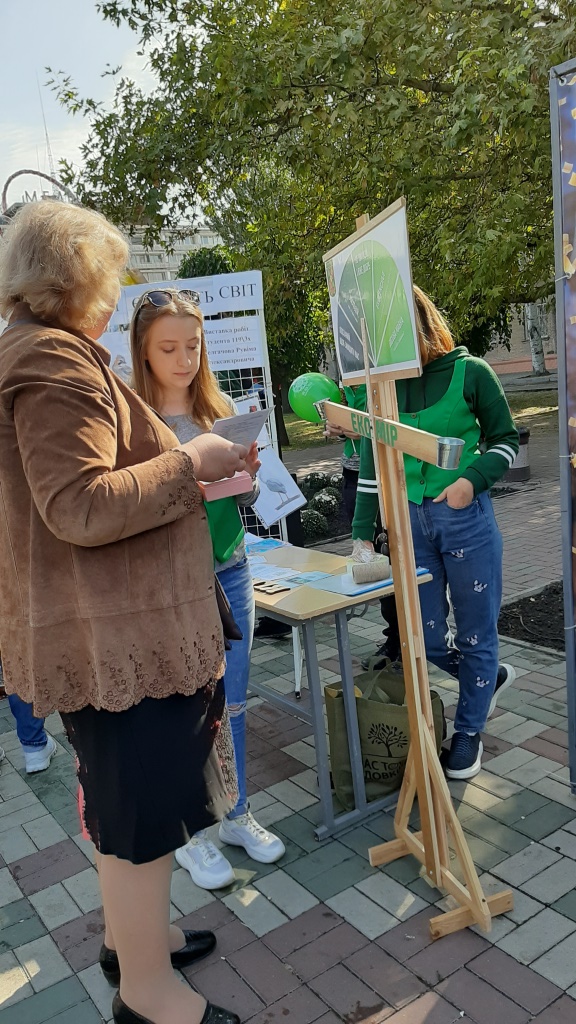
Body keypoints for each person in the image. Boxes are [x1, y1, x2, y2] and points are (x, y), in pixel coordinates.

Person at [0, 201, 245, 1024]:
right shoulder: (51, 360)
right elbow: (79, 505)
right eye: (108, 277)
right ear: (73, 278)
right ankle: (147, 995)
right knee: (142, 816)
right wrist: (191, 461)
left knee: (128, 808)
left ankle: (132, 945)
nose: (114, 295)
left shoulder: (41, 349)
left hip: (111, 632)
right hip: (118, 636)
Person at [130, 289, 285, 889]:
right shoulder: (134, 423)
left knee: (233, 702)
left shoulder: (218, 409)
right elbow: (131, 506)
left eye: (193, 345)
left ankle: (236, 813)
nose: (184, 358)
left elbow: (249, 495)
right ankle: (190, 834)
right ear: (143, 351)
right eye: (169, 347)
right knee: (183, 712)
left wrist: (247, 473)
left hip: (231, 566)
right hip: (173, 582)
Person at [352, 286, 518, 780]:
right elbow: (372, 463)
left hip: (464, 518)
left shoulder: (473, 372)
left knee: (475, 631)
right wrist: (362, 533)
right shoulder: (383, 390)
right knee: (421, 635)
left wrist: (471, 482)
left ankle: (468, 730)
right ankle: (485, 678)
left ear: (417, 324)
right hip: (408, 525)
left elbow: (506, 440)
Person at [324, 384, 401, 664]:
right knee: (374, 559)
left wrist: (357, 428)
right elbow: (349, 422)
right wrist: (336, 428)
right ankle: (394, 638)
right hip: (354, 472)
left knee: (396, 555)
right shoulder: (346, 379)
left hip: (385, 474)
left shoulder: (383, 375)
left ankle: (409, 637)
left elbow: (379, 424)